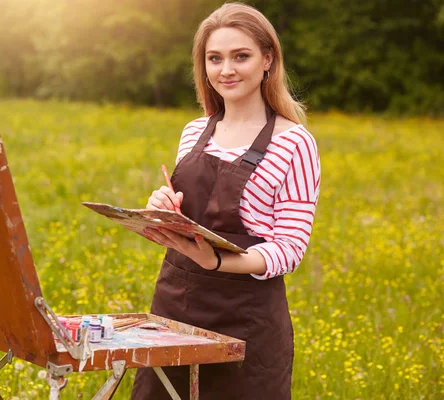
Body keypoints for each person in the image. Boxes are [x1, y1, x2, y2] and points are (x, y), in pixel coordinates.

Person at [130, 3, 320, 399]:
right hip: (174, 307)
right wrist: (163, 207)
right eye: (214, 58)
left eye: (241, 56)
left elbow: (289, 248)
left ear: (268, 59)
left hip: (245, 319)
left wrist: (217, 261)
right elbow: (190, 217)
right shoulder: (194, 131)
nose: (226, 70)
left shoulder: (294, 143)